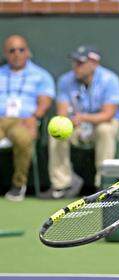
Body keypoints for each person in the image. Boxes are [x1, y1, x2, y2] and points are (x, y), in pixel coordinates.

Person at [41, 45, 119, 198]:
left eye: (80, 63)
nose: (76, 67)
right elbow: (62, 113)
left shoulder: (110, 79)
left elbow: (108, 114)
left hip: (104, 124)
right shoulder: (65, 80)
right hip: (77, 126)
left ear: (94, 63)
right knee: (56, 132)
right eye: (74, 62)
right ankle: (62, 185)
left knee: (104, 129)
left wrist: (84, 118)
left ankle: (104, 184)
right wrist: (68, 121)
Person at [0, 35, 54, 201]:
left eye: (21, 50)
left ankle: (18, 185)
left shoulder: (41, 75)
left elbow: (45, 101)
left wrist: (35, 117)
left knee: (23, 139)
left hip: (23, 120)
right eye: (12, 50)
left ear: (28, 52)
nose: (17, 54)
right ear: (6, 53)